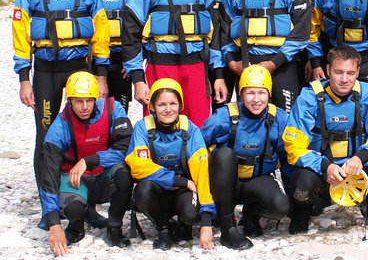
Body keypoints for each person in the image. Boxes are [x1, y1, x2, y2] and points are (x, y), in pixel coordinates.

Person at [13, 0, 111, 228]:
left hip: (79, 67)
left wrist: (101, 74)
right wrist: (23, 78)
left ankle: (86, 202)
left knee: (85, 137)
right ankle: (49, 206)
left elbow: (101, 32)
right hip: (45, 70)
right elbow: (19, 33)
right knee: (47, 140)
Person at [283, 45, 368, 233]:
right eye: (338, 72)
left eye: (350, 73)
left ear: (358, 72)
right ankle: (303, 212)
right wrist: (325, 166)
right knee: (301, 185)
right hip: (322, 169)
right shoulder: (309, 97)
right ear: (328, 70)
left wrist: (360, 158)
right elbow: (293, 146)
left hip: (357, 168)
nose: (344, 79)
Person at [122, 0, 226, 126]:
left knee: (198, 129)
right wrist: (138, 80)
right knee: (160, 129)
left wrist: (219, 75)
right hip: (160, 67)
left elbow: (213, 35)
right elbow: (130, 35)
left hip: (197, 68)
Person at [41, 72, 133, 255]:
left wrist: (90, 161)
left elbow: (126, 148)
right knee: (73, 208)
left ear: (96, 98)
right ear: (69, 101)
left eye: (89, 101)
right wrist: (53, 222)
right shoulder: (60, 125)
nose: (84, 107)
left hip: (103, 176)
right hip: (75, 180)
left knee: (124, 173)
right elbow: (49, 174)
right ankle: (76, 227)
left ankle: (114, 226)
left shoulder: (113, 109)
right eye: (78, 101)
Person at [201, 65, 290, 250]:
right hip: (224, 184)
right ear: (241, 94)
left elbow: (288, 156)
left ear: (269, 94)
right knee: (224, 154)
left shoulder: (278, 118)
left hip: (256, 181)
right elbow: (197, 149)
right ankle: (227, 228)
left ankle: (251, 216)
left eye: (261, 93)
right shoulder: (224, 117)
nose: (256, 100)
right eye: (250, 93)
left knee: (281, 206)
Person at [125, 78, 215, 250]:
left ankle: (183, 223)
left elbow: (202, 172)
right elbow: (138, 166)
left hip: (184, 191)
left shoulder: (190, 129)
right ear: (151, 107)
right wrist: (178, 180)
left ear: (180, 105)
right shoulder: (142, 128)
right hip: (160, 189)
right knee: (142, 191)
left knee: (190, 215)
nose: (168, 110)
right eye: (161, 105)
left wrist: (206, 221)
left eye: (173, 104)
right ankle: (164, 227)